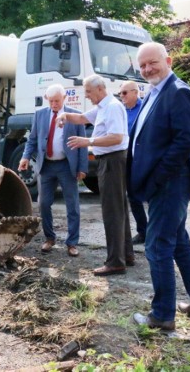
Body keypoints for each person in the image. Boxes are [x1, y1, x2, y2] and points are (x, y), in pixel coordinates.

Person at [129, 42, 190, 331]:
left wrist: (157, 178)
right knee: (179, 244)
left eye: (152, 62)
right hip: (165, 185)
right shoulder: (155, 91)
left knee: (157, 247)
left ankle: (162, 315)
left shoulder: (179, 92)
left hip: (170, 184)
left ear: (168, 60)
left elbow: (186, 141)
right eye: (142, 66)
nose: (147, 69)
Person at [58, 75, 133, 276]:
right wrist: (64, 115)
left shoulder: (112, 107)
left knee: (112, 211)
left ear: (100, 89)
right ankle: (126, 254)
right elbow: (82, 118)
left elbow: (117, 137)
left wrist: (87, 141)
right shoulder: (102, 107)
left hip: (112, 161)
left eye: (88, 92)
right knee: (119, 208)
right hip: (111, 160)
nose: (86, 96)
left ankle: (116, 262)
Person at [18, 84, 88, 257]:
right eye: (51, 101)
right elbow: (32, 140)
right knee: (43, 203)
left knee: (72, 204)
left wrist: (82, 168)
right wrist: (25, 157)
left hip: (66, 165)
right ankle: (49, 238)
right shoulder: (40, 115)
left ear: (64, 98)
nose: (54, 104)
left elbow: (83, 145)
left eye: (57, 100)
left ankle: (72, 243)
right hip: (46, 166)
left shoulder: (75, 116)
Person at [120, 81, 147, 245]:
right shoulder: (121, 111)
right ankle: (143, 231)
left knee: (151, 196)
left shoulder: (145, 109)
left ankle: (157, 232)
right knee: (133, 196)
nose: (121, 96)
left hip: (144, 158)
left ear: (135, 93)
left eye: (124, 93)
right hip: (127, 159)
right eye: (120, 93)